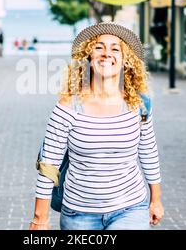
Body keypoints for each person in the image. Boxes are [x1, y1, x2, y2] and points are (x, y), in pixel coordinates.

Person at [30, 22, 164, 230]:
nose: (106, 53)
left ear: (125, 59)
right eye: (99, 47)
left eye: (115, 48)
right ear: (88, 56)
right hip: (79, 214)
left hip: (131, 208)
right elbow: (49, 164)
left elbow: (148, 151)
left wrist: (156, 199)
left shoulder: (139, 104)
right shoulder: (68, 106)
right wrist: (40, 219)